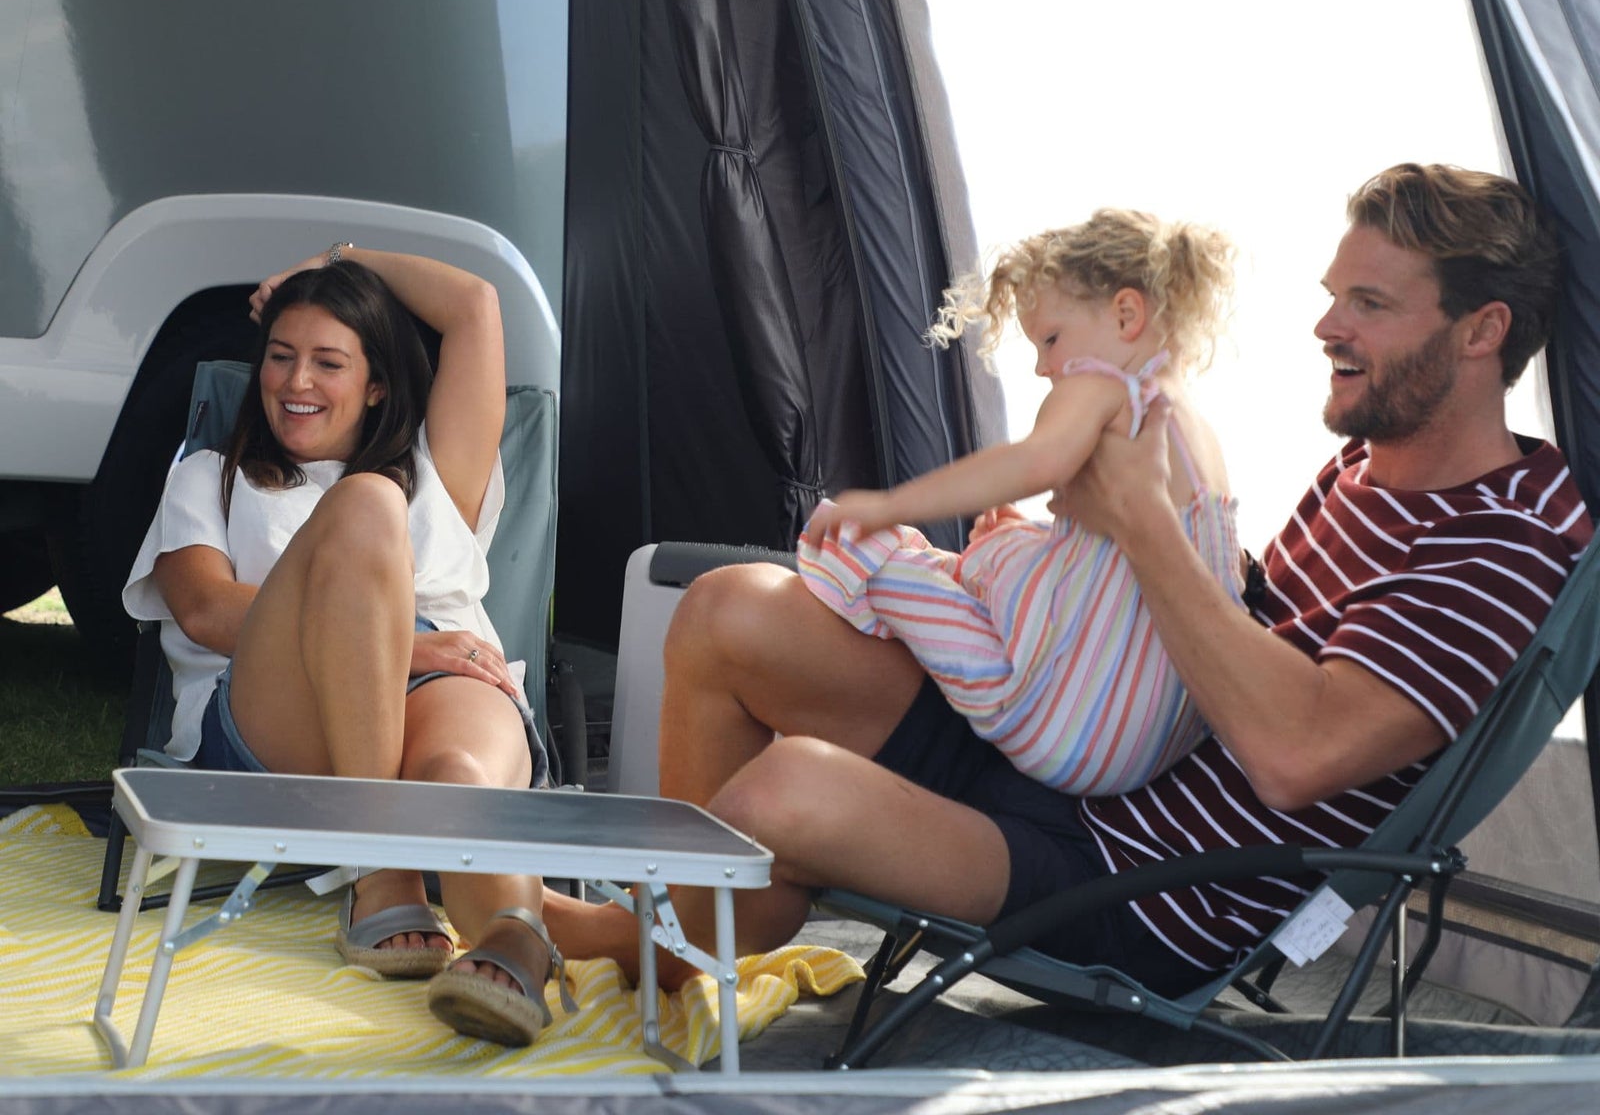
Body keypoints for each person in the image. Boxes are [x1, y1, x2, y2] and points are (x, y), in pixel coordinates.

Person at [544, 163, 1591, 995]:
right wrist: (1041, 575)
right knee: (731, 610)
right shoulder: (1367, 467)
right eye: (1332, 298)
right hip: (1078, 764)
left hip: (1137, 884)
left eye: (1370, 303)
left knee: (786, 787)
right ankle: (687, 930)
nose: (1328, 328)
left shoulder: (1497, 544)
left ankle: (655, 934)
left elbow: (1294, 752)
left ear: (1479, 331)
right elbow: (1240, 618)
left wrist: (1141, 524)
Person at [124, 246, 565, 1048]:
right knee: (367, 506)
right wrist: (399, 648)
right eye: (281, 357)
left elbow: (474, 305)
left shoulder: (438, 471)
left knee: (457, 779)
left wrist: (337, 259)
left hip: (450, 679)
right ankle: (384, 868)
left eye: (328, 362)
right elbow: (207, 611)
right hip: (278, 702)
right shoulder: (213, 477)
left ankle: (517, 942)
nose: (295, 383)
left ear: (377, 385)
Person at [801, 210, 1241, 796]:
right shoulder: (1196, 431)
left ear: (1127, 315)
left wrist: (885, 507)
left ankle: (893, 571)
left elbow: (1033, 463)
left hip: (1063, 724)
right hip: (1155, 735)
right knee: (1015, 538)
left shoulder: (1105, 386)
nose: (1043, 367)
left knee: (887, 558)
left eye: (1051, 339)